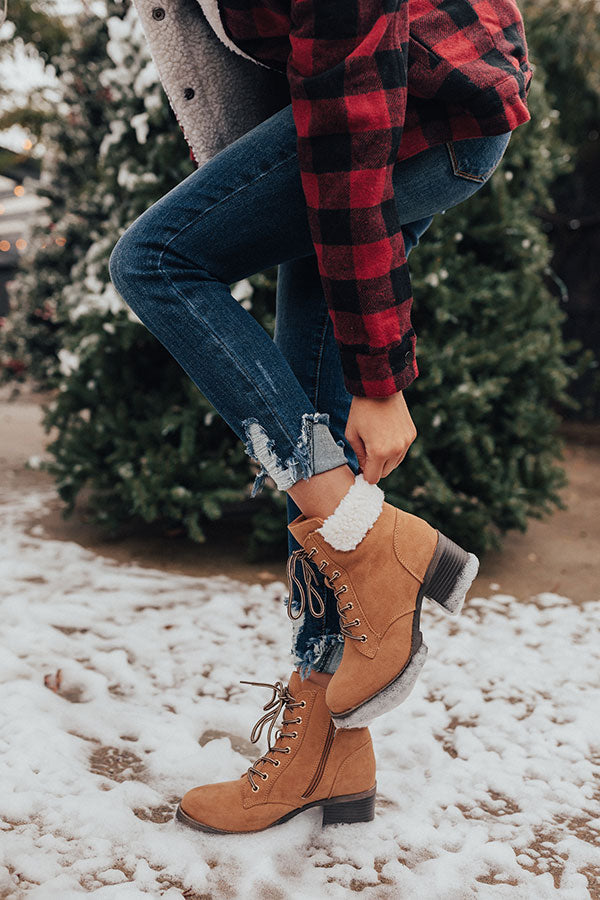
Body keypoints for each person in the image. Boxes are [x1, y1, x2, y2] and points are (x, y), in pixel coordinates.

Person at [108, 0, 533, 833]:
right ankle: (329, 747)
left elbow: (354, 114)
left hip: (421, 114)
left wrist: (382, 371)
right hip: (364, 115)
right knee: (315, 424)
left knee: (156, 261)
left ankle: (377, 545)